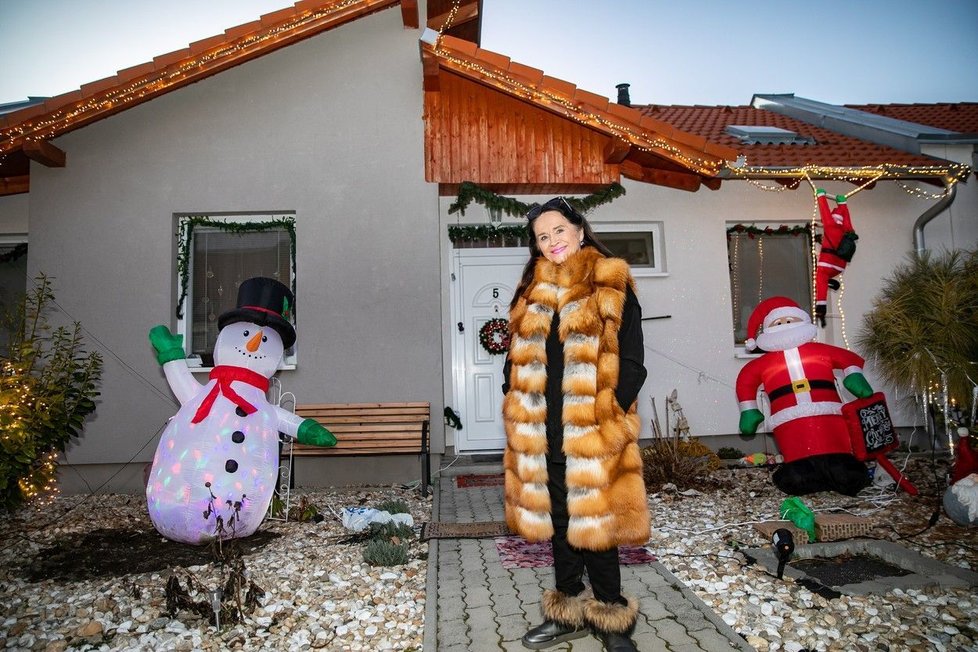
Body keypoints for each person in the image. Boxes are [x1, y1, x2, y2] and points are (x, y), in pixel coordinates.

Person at [501, 197, 649, 652]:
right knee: (561, 524)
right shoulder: (531, 292)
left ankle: (611, 618)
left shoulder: (610, 280)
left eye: (558, 231)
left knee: (596, 527)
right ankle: (567, 611)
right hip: (543, 432)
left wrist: (609, 416)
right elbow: (514, 361)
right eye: (542, 237)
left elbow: (633, 362)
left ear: (579, 230)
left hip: (592, 432)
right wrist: (514, 405)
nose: (551, 242)